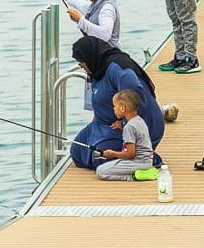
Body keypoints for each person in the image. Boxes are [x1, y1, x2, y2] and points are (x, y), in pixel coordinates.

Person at [69, 36, 166, 170]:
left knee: (100, 158)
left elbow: (135, 92)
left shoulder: (117, 69)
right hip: (104, 126)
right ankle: (121, 153)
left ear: (89, 57)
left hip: (135, 129)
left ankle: (147, 158)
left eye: (82, 63)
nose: (81, 66)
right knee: (77, 152)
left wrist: (126, 123)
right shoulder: (97, 69)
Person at [93, 88, 156, 181]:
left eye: (115, 106)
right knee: (109, 165)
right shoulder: (139, 121)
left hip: (138, 163)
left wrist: (112, 153)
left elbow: (130, 154)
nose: (113, 109)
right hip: (147, 161)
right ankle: (142, 172)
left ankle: (135, 176)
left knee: (101, 171)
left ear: (122, 108)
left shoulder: (129, 127)